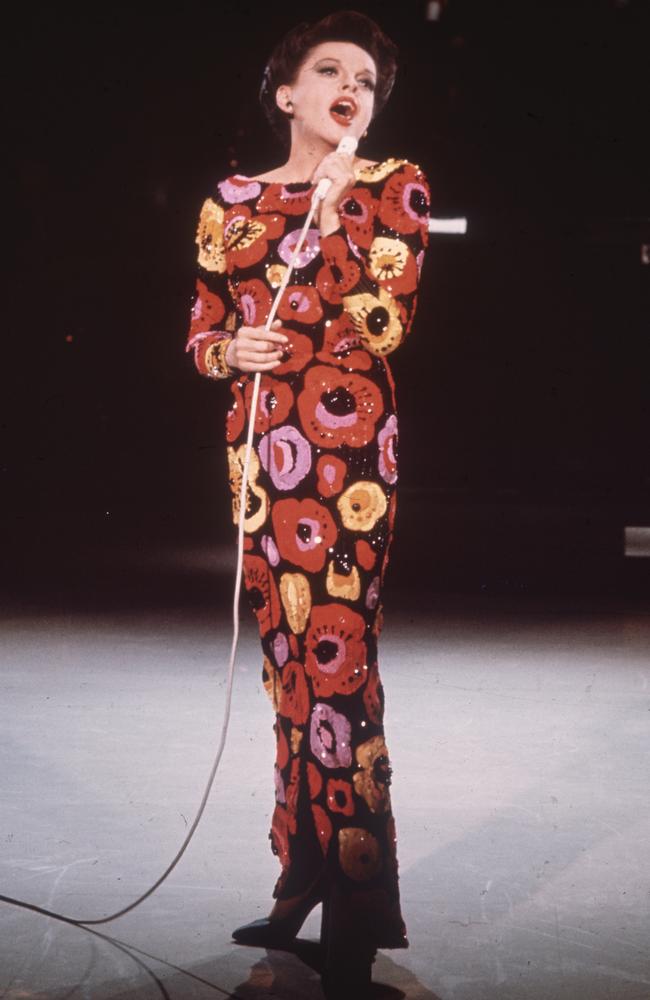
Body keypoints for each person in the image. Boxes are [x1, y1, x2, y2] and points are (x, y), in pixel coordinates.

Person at [185, 10, 430, 997]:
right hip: (259, 461)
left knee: (338, 664)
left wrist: (335, 212)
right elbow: (202, 326)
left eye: (364, 81)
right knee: (289, 674)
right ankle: (298, 878)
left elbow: (385, 320)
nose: (348, 88)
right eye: (329, 70)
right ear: (284, 93)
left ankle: (361, 905)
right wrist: (223, 354)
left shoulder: (391, 186)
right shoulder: (229, 201)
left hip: (346, 468)